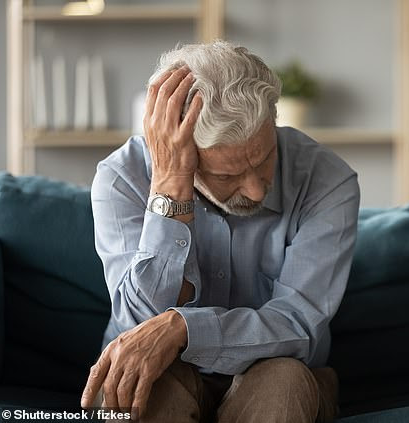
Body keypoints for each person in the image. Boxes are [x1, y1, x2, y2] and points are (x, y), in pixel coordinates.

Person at [80, 40, 360, 423]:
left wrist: (185, 327)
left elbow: (299, 326)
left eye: (264, 159)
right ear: (181, 150)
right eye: (227, 176)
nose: (258, 190)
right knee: (146, 391)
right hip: (161, 373)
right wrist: (169, 188)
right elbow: (137, 326)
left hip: (280, 371)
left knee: (284, 382)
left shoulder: (328, 180)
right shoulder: (121, 179)